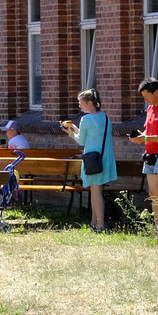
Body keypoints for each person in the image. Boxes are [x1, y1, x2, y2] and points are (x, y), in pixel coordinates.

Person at [61, 88, 117, 232]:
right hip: (104, 158)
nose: (80, 106)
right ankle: (93, 222)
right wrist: (75, 128)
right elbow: (92, 135)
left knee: (96, 192)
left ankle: (100, 225)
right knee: (95, 190)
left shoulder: (85, 119)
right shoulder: (105, 117)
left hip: (93, 159)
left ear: (90, 103)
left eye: (81, 103)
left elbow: (81, 140)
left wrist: (69, 133)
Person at [128, 79, 158, 227]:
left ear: (157, 92)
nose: (145, 100)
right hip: (150, 153)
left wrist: (145, 138)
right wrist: (141, 137)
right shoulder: (150, 109)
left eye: (147, 96)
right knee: (153, 193)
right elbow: (149, 130)